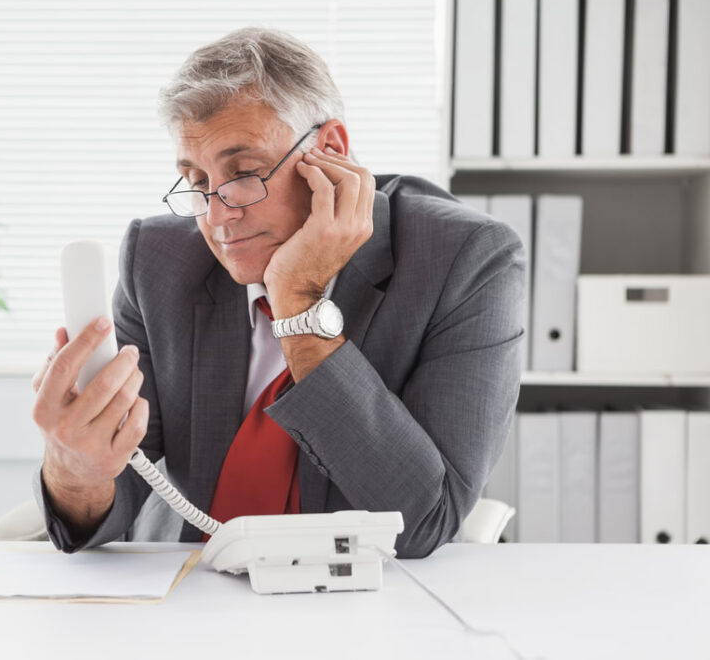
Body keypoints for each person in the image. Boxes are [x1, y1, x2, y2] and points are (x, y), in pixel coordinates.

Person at [30, 28, 525, 558]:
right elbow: (123, 490)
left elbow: (424, 520)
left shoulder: (467, 259)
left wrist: (300, 303)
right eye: (197, 182)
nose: (218, 217)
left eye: (244, 174)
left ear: (330, 151)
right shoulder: (158, 260)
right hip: (190, 593)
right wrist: (74, 470)